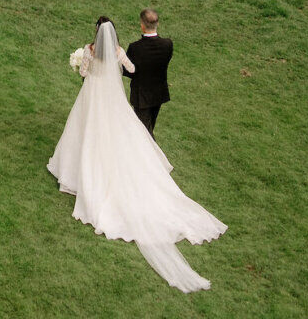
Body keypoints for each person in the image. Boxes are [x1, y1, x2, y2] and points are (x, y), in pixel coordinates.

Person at [48, 17, 225, 293]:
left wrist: (81, 61)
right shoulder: (118, 52)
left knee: (86, 133)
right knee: (120, 137)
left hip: (93, 99)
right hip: (113, 102)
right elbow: (131, 68)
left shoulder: (90, 50)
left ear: (96, 33)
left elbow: (84, 73)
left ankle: (79, 172)